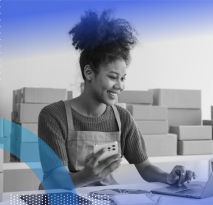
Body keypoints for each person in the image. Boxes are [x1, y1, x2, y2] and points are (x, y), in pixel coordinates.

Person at [38, 9, 196, 189]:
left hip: (106, 197)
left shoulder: (123, 118)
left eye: (123, 78)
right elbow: (55, 179)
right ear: (89, 72)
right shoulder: (53, 115)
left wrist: (168, 177)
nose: (120, 85)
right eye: (113, 77)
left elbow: (145, 167)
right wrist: (86, 176)